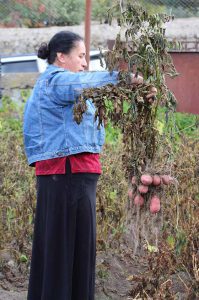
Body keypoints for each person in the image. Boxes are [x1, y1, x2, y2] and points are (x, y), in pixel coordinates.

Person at [23, 31, 156, 300]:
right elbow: (84, 83)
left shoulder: (60, 84)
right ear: (61, 56)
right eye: (81, 56)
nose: (85, 63)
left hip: (71, 176)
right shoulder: (57, 80)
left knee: (68, 251)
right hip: (67, 174)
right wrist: (123, 79)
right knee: (65, 252)